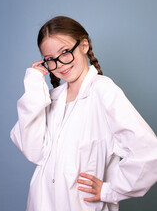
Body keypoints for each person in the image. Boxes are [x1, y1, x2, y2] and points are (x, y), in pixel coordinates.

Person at [10, 16, 157, 211]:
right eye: (50, 60)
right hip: (41, 203)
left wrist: (109, 190)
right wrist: (34, 84)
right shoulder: (52, 98)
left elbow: (149, 153)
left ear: (84, 45)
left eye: (65, 52)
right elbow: (33, 151)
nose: (60, 64)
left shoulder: (103, 91)